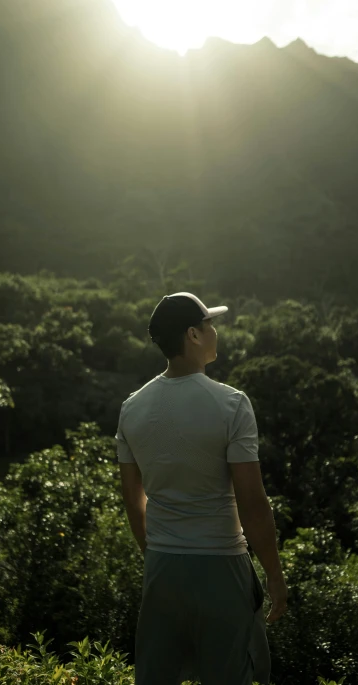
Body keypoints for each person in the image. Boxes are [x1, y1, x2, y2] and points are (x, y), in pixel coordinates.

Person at [115, 292, 288, 685]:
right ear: (193, 334)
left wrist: (156, 552)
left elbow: (132, 500)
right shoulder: (231, 405)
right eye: (210, 324)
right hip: (221, 566)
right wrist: (274, 574)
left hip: (161, 566)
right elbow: (252, 503)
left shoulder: (132, 408)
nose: (214, 332)